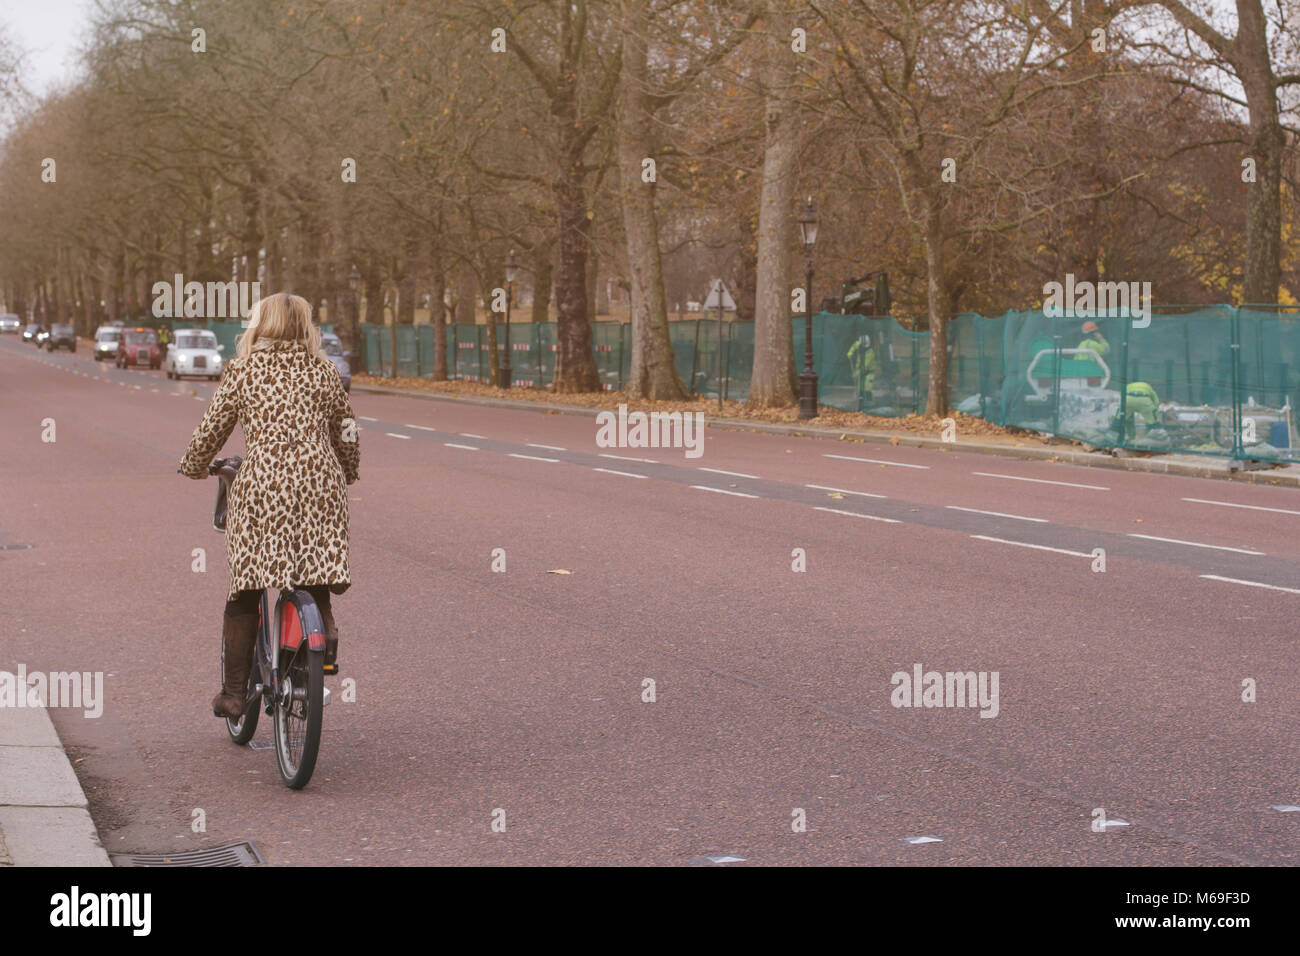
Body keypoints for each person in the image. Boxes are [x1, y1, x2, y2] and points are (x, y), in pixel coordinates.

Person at [178, 293, 360, 719]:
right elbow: (348, 430)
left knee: (246, 585)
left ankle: (234, 693)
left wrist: (193, 465)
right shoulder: (324, 371)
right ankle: (323, 635)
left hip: (262, 486)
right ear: (305, 327)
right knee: (313, 565)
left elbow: (212, 430)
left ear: (260, 326)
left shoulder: (244, 371)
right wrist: (347, 471)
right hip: (320, 484)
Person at [847, 333, 878, 410]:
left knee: (867, 387)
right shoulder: (858, 345)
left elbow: (865, 366)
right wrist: (850, 353)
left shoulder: (870, 352)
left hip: (868, 372)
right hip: (860, 372)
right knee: (859, 389)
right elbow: (853, 348)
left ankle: (869, 402)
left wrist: (856, 374)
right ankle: (860, 402)